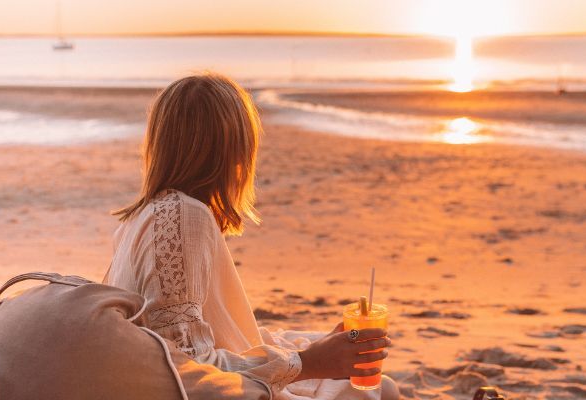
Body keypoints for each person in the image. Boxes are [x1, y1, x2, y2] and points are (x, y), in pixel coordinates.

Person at [104, 74, 397, 400]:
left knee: (365, 383)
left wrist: (314, 350)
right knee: (380, 391)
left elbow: (208, 339)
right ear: (236, 150)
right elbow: (186, 367)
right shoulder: (185, 216)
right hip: (213, 392)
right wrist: (306, 363)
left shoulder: (139, 219)